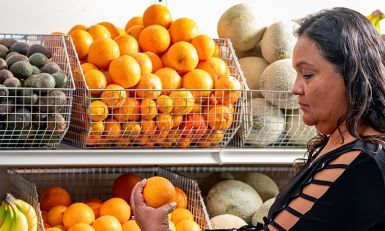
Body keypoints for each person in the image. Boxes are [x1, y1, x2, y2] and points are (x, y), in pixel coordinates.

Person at [130, 7, 385, 231]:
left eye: (307, 74)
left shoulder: (361, 165)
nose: (295, 88)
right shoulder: (341, 145)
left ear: (353, 74)